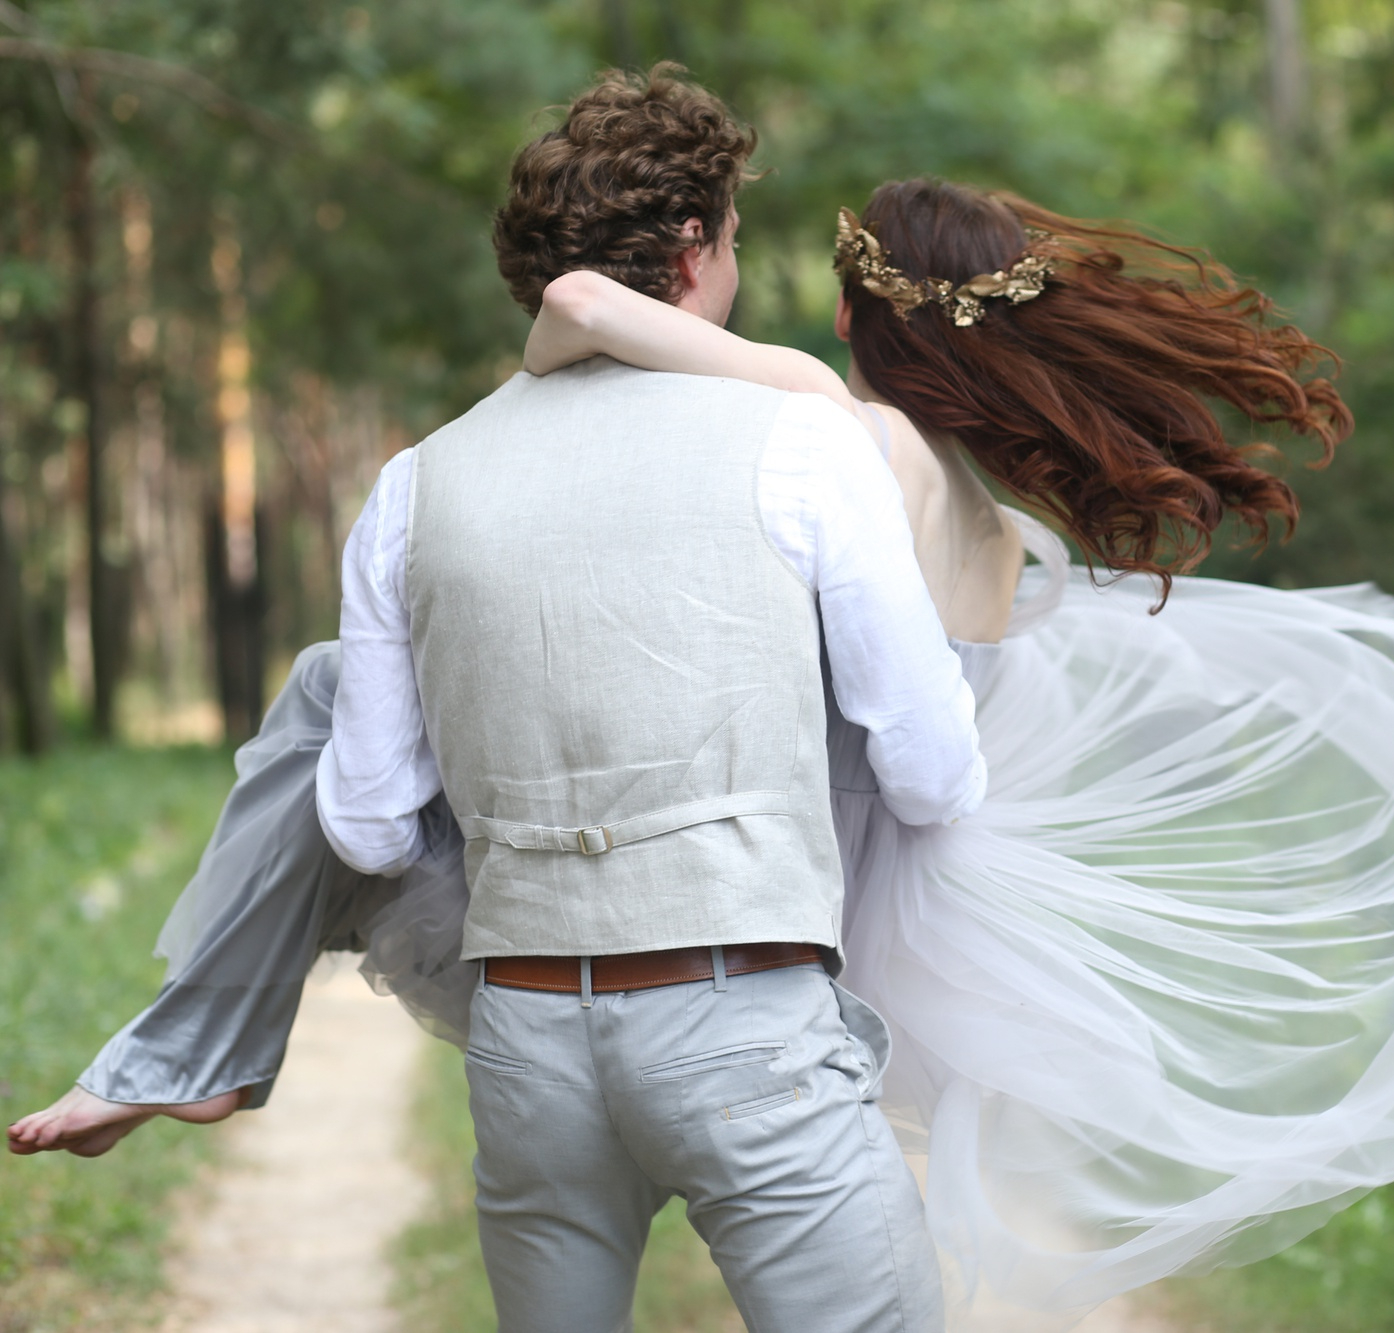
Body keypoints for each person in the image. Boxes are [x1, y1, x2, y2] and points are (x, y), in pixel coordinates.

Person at [12, 77, 1394, 1332]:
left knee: (339, 693)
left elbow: (681, 371)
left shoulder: (823, 436)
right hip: (800, 925)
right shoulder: (981, 506)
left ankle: (194, 1039)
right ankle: (195, 1047)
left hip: (639, 960)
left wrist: (573, 327)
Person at [17, 66, 979, 1333]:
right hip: (743, 1017)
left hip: (529, 1041)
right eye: (735, 240)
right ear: (692, 250)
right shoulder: (801, 445)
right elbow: (928, 772)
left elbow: (363, 822)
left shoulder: (415, 485)